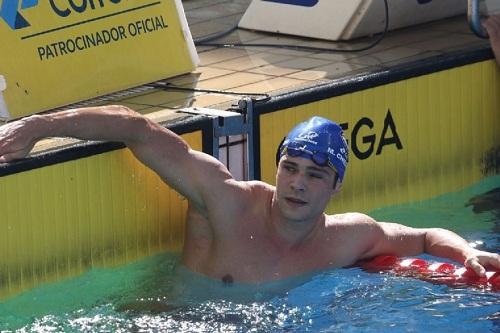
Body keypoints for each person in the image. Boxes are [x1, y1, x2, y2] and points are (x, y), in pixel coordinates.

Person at [0, 107, 499, 284]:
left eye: (315, 175)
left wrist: (467, 253)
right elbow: (139, 130)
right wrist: (38, 126)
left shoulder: (352, 236)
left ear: (337, 185)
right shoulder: (224, 201)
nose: (298, 183)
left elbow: (428, 235)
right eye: (290, 167)